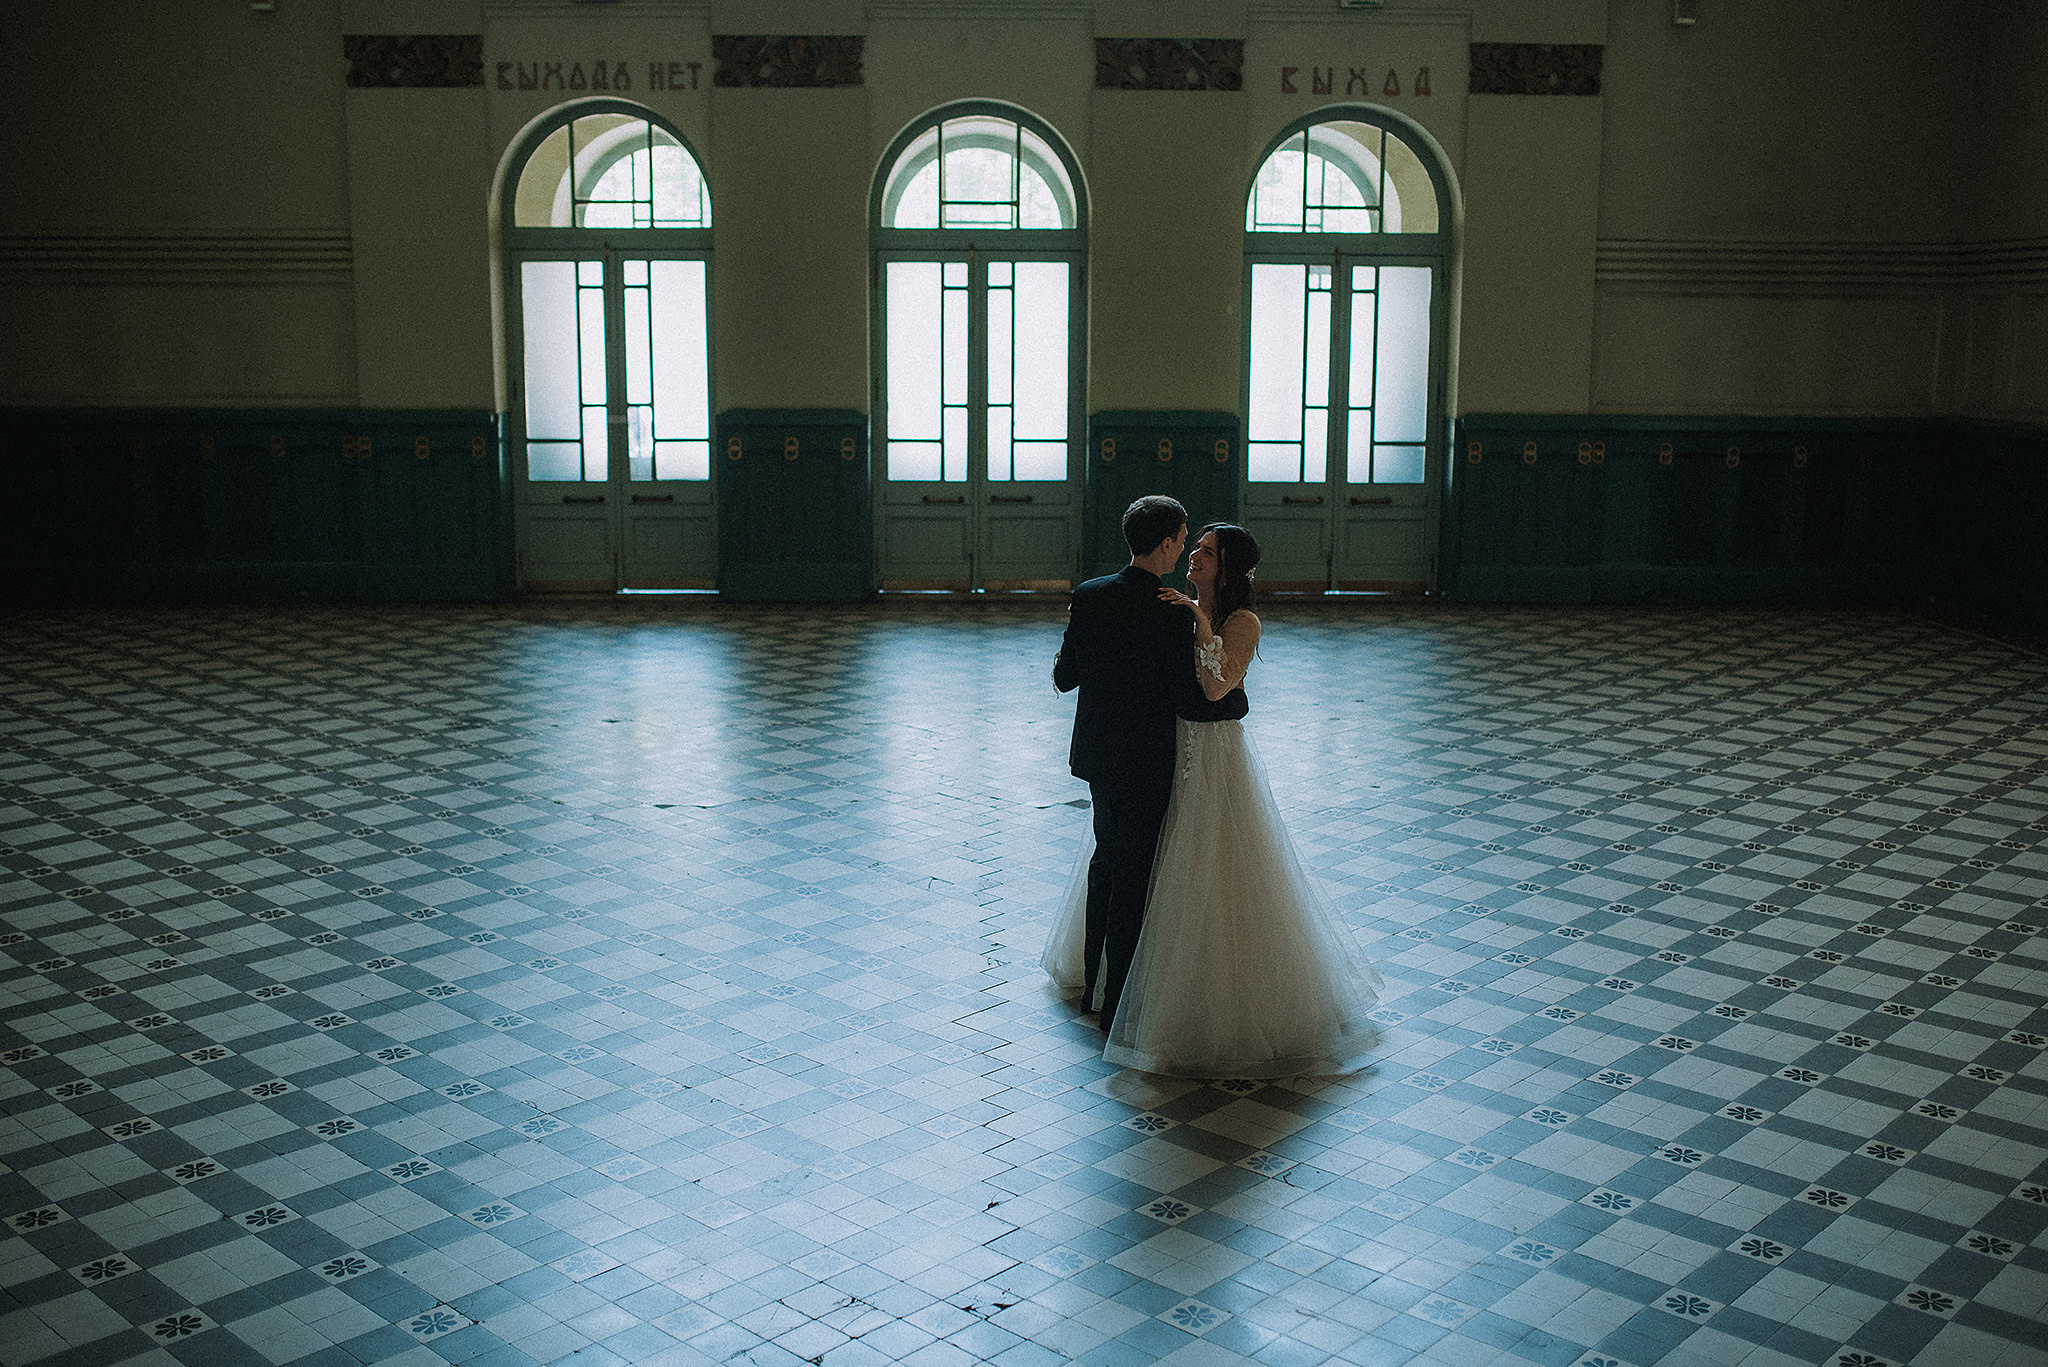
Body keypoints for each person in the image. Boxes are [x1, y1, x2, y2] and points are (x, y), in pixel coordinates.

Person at [1046, 522, 1385, 1078]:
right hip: (1165, 749)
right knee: (1140, 860)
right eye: (1193, 547)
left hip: (1212, 756)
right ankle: (1115, 979)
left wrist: (1200, 622)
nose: (1194, 557)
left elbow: (1216, 688)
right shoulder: (1169, 607)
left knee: (1206, 864)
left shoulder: (1239, 621)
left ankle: (1188, 991)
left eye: (1205, 552)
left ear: (1227, 567)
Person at [1050, 496, 1249, 1036]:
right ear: (1164, 545)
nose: (1185, 548)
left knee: (1104, 862)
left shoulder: (1089, 596)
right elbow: (1190, 700)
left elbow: (1065, 677)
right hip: (1147, 762)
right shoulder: (1171, 610)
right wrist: (1238, 702)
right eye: (1183, 540)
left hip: (1098, 756)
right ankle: (1118, 1004)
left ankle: (1092, 985)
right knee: (1134, 876)